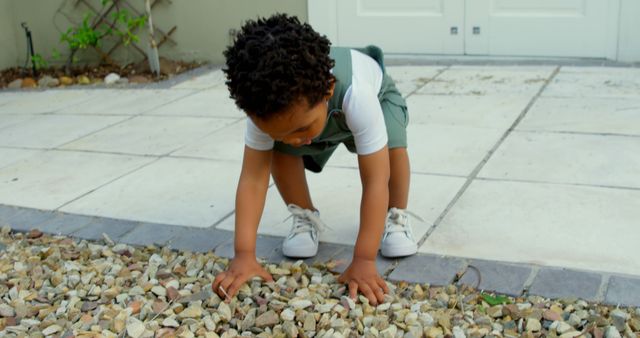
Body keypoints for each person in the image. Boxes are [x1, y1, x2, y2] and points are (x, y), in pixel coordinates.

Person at [212, 14, 417, 306]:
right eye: (280, 133)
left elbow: (375, 181)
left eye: (298, 130)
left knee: (393, 153)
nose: (295, 141)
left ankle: (396, 216)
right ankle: (304, 215)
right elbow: (253, 179)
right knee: (278, 154)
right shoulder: (265, 109)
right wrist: (244, 254)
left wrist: (363, 258)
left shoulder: (357, 94)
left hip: (379, 101)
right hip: (318, 113)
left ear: (328, 90)